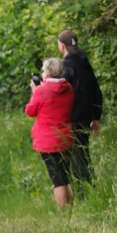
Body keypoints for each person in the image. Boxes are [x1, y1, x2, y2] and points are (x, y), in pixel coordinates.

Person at [25, 57, 75, 208]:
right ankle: (71, 209)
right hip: (66, 137)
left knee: (57, 179)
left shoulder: (41, 91)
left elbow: (30, 111)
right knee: (66, 175)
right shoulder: (69, 87)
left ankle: (62, 213)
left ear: (46, 73)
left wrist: (35, 92)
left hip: (48, 141)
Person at [58, 30, 103, 189]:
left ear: (62, 46)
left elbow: (60, 94)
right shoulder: (85, 64)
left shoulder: (66, 67)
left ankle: (83, 192)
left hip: (72, 119)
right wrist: (96, 118)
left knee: (75, 159)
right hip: (86, 118)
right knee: (83, 155)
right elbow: (96, 91)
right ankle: (90, 189)